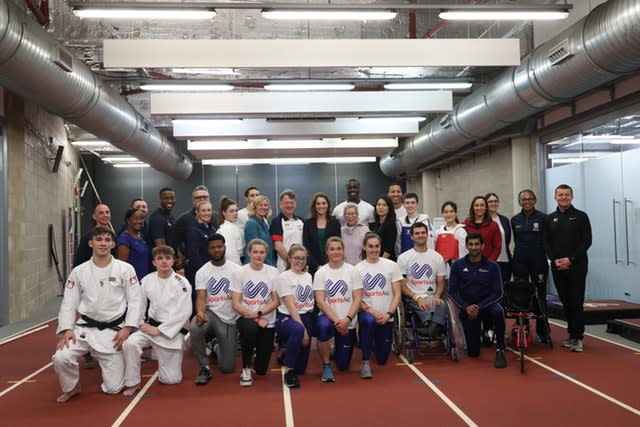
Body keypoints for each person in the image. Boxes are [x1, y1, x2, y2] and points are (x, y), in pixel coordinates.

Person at [52, 226, 143, 402]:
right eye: (99, 239)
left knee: (113, 389)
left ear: (113, 244)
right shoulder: (79, 272)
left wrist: (128, 328)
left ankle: (116, 366)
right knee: (61, 357)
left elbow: (135, 301)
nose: (103, 243)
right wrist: (67, 329)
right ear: (91, 243)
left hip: (113, 331)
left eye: (107, 240)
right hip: (84, 329)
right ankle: (72, 386)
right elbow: (68, 303)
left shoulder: (125, 269)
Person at [122, 245, 192, 396]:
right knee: (130, 343)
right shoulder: (147, 280)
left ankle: (161, 353)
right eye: (160, 258)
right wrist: (140, 323)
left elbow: (184, 312)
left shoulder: (182, 283)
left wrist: (160, 330)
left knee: (170, 380)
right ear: (154, 262)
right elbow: (139, 304)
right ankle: (132, 382)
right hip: (150, 328)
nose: (164, 262)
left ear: (173, 261)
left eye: (167, 258)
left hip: (171, 332)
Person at [544, 184, 592, 352]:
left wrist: (570, 260)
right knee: (566, 302)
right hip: (558, 267)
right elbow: (546, 242)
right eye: (560, 194)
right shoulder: (549, 219)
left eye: (566, 194)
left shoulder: (581, 217)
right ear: (555, 197)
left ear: (572, 197)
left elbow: (587, 241)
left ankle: (578, 337)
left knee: (576, 302)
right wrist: (555, 260)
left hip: (577, 266)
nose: (563, 197)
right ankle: (571, 335)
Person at [449, 233, 507, 369]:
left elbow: (498, 292)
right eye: (471, 244)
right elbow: (453, 291)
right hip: (468, 309)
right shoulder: (457, 265)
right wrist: (466, 307)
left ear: (482, 246)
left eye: (477, 244)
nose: (474, 247)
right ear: (467, 246)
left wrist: (479, 307)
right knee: (473, 353)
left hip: (486, 306)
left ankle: (500, 349)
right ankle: (483, 334)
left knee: (498, 311)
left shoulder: (492, 266)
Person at [190, 234, 241, 385]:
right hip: (210, 313)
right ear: (208, 250)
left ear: (225, 247)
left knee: (227, 368)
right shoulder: (202, 272)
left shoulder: (236, 270)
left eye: (219, 246)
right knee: (195, 327)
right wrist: (200, 312)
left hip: (229, 319)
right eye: (213, 247)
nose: (216, 250)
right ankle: (204, 366)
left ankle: (214, 345)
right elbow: (200, 296)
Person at [231, 238, 280, 386]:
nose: (258, 255)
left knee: (261, 370)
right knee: (251, 329)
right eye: (255, 252)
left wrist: (258, 313)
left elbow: (276, 301)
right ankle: (245, 367)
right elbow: (235, 303)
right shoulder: (239, 273)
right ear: (249, 253)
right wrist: (251, 315)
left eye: (262, 252)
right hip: (245, 316)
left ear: (266, 254)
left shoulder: (273, 272)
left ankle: (256, 351)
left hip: (266, 319)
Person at [313, 237, 363, 382]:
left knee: (342, 365)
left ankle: (335, 349)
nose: (336, 252)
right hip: (329, 318)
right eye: (332, 249)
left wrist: (347, 319)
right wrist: (337, 321)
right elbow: (320, 302)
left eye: (338, 249)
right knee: (322, 327)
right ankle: (326, 364)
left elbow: (358, 298)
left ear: (343, 250)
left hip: (348, 320)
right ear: (327, 251)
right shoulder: (321, 272)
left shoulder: (352, 271)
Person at [356, 233, 402, 379]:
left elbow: (397, 294)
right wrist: (371, 310)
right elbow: (356, 298)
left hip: (386, 316)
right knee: (369, 322)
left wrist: (389, 314)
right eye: (370, 246)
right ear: (364, 247)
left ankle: (372, 340)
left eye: (377, 246)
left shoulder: (391, 265)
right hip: (368, 313)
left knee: (382, 359)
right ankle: (365, 362)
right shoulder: (357, 269)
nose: (374, 249)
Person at [511, 189, 550, 343]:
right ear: (519, 201)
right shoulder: (515, 220)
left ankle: (543, 330)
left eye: (529, 199)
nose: (526, 201)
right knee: (521, 296)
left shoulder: (543, 218)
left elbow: (547, 240)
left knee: (540, 296)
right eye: (523, 199)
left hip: (539, 262)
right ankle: (524, 327)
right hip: (520, 262)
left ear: (534, 200)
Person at [397, 222, 448, 337]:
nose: (420, 235)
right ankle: (434, 326)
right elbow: (402, 285)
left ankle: (430, 327)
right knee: (422, 304)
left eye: (423, 233)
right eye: (417, 233)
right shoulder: (403, 258)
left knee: (443, 304)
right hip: (412, 297)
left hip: (431, 295)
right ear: (411, 236)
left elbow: (440, 281)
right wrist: (417, 298)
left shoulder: (437, 257)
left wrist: (437, 296)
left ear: (427, 234)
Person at [275, 244, 315, 388]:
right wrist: (303, 330)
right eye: (297, 258)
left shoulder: (308, 276)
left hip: (305, 316)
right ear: (290, 259)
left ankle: (288, 355)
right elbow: (291, 306)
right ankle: (289, 371)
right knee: (298, 331)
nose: (300, 261)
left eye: (303, 259)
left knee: (302, 369)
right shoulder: (284, 277)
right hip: (287, 317)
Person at [185, 201, 217, 310]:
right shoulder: (193, 230)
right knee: (199, 301)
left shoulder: (212, 229)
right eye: (203, 210)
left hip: (211, 271)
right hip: (198, 272)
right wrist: (204, 272)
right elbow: (194, 254)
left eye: (209, 210)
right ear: (197, 212)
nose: (207, 213)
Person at [175, 185, 215, 270]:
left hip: (212, 266)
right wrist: (182, 258)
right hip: (197, 268)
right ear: (193, 200)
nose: (202, 199)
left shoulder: (215, 219)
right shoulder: (184, 220)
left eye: (205, 197)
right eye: (198, 197)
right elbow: (177, 242)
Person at [303, 192, 341, 276]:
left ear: (328, 205)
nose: (321, 206)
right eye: (318, 204)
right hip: (313, 268)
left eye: (324, 203)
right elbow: (306, 247)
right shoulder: (308, 223)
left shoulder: (335, 223)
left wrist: (327, 265)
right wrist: (317, 266)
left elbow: (338, 246)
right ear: (314, 206)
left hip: (332, 265)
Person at [270, 189, 304, 272]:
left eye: (292, 203)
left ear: (295, 204)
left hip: (301, 265)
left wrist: (301, 263)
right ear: (281, 205)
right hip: (284, 266)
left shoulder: (301, 221)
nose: (289, 205)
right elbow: (278, 246)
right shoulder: (276, 221)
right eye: (286, 203)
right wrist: (291, 262)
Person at [433, 200, 467, 276]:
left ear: (456, 213)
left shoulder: (460, 231)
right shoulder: (437, 232)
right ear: (442, 214)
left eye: (451, 211)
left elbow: (464, 254)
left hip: (455, 269)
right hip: (440, 270)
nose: (448, 214)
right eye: (446, 212)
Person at [462, 196, 501, 261]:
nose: (479, 208)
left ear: (486, 207)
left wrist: (489, 263)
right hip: (468, 264)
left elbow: (497, 247)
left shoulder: (493, 225)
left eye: (482, 205)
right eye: (476, 205)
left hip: (487, 264)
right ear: (473, 207)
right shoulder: (464, 224)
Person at [73, 203, 113, 267]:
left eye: (107, 212)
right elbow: (79, 263)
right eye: (101, 213)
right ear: (94, 217)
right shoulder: (87, 238)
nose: (105, 215)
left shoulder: (113, 236)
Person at [486, 192, 513, 283]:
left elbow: (507, 240)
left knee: (504, 289)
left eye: (495, 201)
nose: (493, 203)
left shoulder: (504, 220)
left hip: (504, 260)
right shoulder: (483, 220)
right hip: (489, 261)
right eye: (490, 201)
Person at [116, 208, 150, 280]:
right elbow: (121, 266)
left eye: (141, 219)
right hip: (131, 282)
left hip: (143, 281)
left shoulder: (142, 237)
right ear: (128, 221)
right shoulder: (124, 238)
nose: (139, 221)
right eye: (135, 219)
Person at [244, 195, 275, 266]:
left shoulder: (264, 224)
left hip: (266, 264)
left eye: (266, 205)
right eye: (260, 205)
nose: (263, 207)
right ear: (254, 207)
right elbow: (254, 249)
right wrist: (269, 265)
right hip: (256, 265)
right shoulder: (251, 223)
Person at [217, 197, 244, 265]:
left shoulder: (234, 227)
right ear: (224, 213)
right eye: (231, 211)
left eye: (236, 210)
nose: (235, 213)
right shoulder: (226, 229)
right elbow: (230, 254)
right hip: (233, 265)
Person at [369, 195, 398, 261]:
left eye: (384, 205)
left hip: (386, 261)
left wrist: (380, 262)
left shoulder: (390, 224)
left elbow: (389, 249)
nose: (381, 207)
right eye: (378, 205)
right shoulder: (377, 224)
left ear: (389, 208)